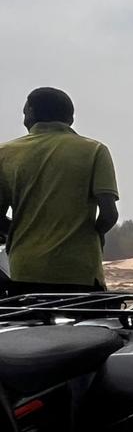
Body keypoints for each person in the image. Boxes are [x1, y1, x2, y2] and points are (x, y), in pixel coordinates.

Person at [0, 87, 118, 292]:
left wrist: (18, 234)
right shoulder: (94, 150)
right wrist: (91, 236)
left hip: (25, 269)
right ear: (70, 119)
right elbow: (109, 214)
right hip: (80, 270)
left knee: (33, 324)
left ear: (30, 115)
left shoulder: (4, 154)